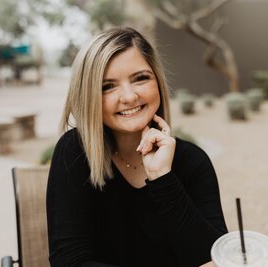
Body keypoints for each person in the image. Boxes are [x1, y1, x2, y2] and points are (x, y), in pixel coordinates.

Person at [46, 27, 228, 267]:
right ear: (88, 95)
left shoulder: (193, 161)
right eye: (107, 86)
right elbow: (69, 261)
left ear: (157, 82)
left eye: (140, 78)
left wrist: (162, 178)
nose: (129, 96)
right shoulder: (74, 152)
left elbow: (215, 259)